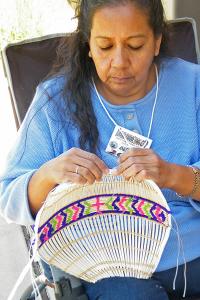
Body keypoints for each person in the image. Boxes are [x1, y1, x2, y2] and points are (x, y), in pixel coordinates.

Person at [1, 0, 200, 299]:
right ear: (89, 45)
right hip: (108, 264)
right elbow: (8, 197)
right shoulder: (55, 101)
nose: (119, 61)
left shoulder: (192, 85)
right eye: (105, 46)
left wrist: (174, 175)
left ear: (157, 42)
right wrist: (48, 175)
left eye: (135, 45)